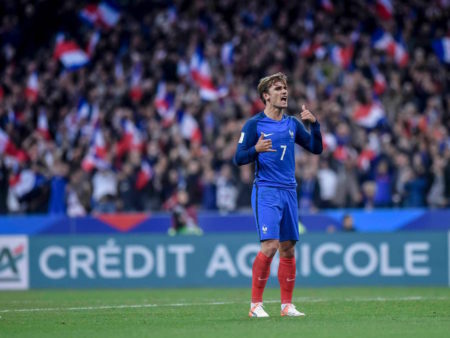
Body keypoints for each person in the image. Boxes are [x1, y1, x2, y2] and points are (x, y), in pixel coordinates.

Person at [233, 72, 322, 318]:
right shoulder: (254, 124)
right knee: (270, 245)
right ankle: (255, 305)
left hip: (289, 191)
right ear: (265, 96)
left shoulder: (292, 123)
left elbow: (316, 148)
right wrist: (255, 149)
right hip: (267, 190)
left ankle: (287, 306)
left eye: (285, 88)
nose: (284, 92)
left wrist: (314, 124)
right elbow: (238, 158)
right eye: (277, 88)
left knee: (288, 248)